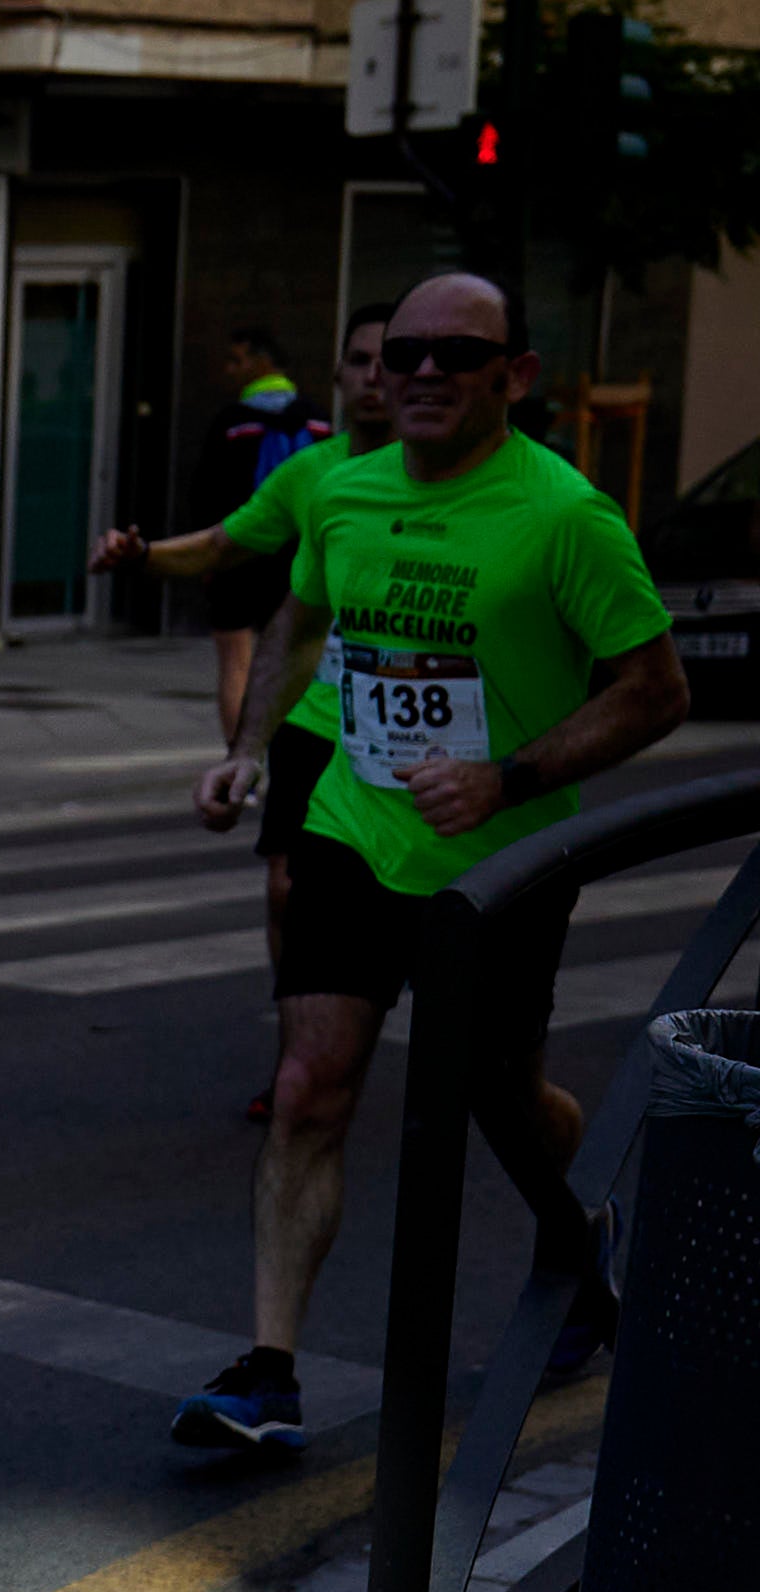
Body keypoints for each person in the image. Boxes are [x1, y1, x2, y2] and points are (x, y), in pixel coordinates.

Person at [171, 272, 689, 1452]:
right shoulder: (343, 493)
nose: (419, 374)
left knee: (498, 1096)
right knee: (308, 1087)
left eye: (454, 355)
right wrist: (245, 753)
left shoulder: (565, 516)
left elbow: (656, 691)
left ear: (513, 376)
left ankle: (579, 1227)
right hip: (352, 830)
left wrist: (507, 775)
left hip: (502, 858)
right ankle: (267, 1373)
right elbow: (303, 622)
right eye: (401, 353)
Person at [99, 300, 396, 1122]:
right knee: (285, 892)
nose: (377, 377)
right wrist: (142, 555)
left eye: (393, 360)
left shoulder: (465, 485)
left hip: (424, 742)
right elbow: (225, 545)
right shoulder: (315, 473)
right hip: (321, 721)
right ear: (335, 376)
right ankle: (300, 1057)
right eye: (361, 360)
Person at [181, 328, 330, 737]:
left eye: (236, 360)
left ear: (262, 362)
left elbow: (205, 495)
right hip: (297, 557)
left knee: (235, 661)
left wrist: (206, 558)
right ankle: (285, 750)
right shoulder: (318, 420)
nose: (228, 370)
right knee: (294, 660)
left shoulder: (232, 423)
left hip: (237, 553)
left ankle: (239, 759)